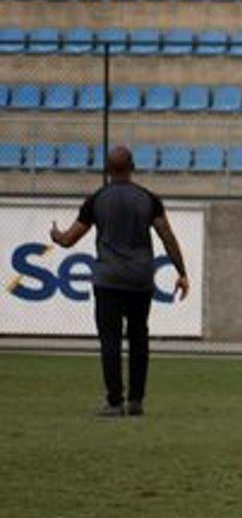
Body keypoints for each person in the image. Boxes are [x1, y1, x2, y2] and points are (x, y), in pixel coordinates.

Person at [47, 145, 190, 417]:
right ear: (133, 167)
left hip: (108, 280)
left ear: (108, 169)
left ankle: (114, 402)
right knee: (139, 338)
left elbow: (69, 239)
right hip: (140, 279)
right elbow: (167, 236)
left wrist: (56, 235)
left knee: (110, 341)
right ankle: (136, 401)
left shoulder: (97, 200)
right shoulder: (148, 199)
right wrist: (181, 272)